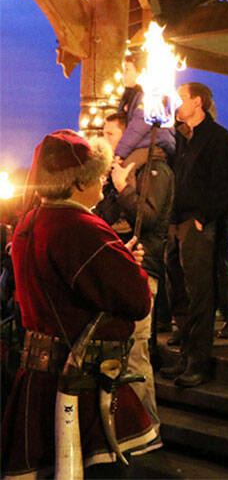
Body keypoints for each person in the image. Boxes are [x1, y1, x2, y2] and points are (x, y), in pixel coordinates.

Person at [2, 130, 156, 477]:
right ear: (76, 182)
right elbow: (135, 299)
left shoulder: (31, 221)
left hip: (40, 378)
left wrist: (117, 258)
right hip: (78, 383)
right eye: (95, 173)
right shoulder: (80, 226)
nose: (102, 179)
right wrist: (130, 267)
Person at [95, 111, 174, 446]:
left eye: (111, 134)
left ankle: (148, 431)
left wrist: (124, 188)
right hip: (120, 269)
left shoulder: (155, 168)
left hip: (146, 268)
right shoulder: (123, 171)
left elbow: (151, 217)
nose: (107, 141)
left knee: (138, 351)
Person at [159, 83, 228, 387]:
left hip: (196, 222)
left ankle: (198, 361)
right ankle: (184, 355)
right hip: (175, 221)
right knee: (176, 288)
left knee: (199, 292)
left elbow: (227, 182)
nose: (177, 104)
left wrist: (203, 217)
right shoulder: (180, 137)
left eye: (181, 98)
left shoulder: (217, 138)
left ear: (198, 102)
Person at [114, 53, 176, 161]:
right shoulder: (130, 95)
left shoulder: (149, 95)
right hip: (142, 145)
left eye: (127, 70)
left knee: (124, 171)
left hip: (155, 145)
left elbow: (138, 127)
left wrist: (119, 153)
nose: (123, 74)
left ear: (140, 72)